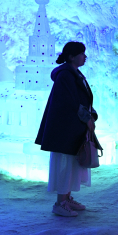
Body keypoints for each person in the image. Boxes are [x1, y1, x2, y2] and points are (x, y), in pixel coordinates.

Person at [35, 41, 97, 217]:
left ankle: (66, 198)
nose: (85, 56)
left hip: (72, 127)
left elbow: (81, 100)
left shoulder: (73, 73)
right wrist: (87, 119)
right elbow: (70, 102)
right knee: (64, 163)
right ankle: (60, 203)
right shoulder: (66, 75)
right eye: (82, 53)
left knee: (70, 163)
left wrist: (90, 116)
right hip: (65, 129)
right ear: (71, 56)